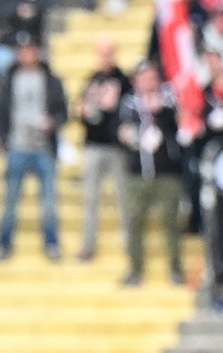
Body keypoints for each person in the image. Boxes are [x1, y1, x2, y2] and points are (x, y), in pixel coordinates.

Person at [0, 33, 66, 263]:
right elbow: (0, 112)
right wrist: (4, 139)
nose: (27, 55)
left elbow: (63, 111)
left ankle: (51, 242)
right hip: (18, 146)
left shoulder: (51, 80)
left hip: (44, 147)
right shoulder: (9, 79)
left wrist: (52, 123)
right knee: (10, 200)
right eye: (23, 51)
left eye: (31, 50)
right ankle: (3, 243)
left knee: (49, 201)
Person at [118, 62, 185, 287]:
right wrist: (130, 135)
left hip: (167, 172)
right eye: (143, 77)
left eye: (151, 77)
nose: (148, 82)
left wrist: (161, 113)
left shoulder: (170, 99)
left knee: (171, 222)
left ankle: (176, 269)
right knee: (134, 221)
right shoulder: (129, 103)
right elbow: (120, 129)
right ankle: (135, 269)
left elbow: (180, 126)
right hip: (138, 172)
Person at [77, 38, 131, 263]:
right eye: (102, 53)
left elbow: (130, 110)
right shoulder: (92, 79)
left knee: (124, 198)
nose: (105, 57)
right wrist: (82, 112)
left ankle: (130, 245)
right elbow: (81, 108)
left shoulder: (124, 80)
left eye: (109, 53)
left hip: (116, 147)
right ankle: (88, 245)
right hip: (93, 145)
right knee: (90, 198)